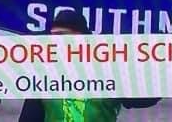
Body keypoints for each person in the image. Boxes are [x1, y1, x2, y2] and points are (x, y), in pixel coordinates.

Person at [17, 10, 160, 121]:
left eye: (63, 36)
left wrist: (164, 73)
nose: (57, 42)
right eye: (53, 37)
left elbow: (144, 98)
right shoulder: (45, 75)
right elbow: (29, 118)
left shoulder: (108, 72)